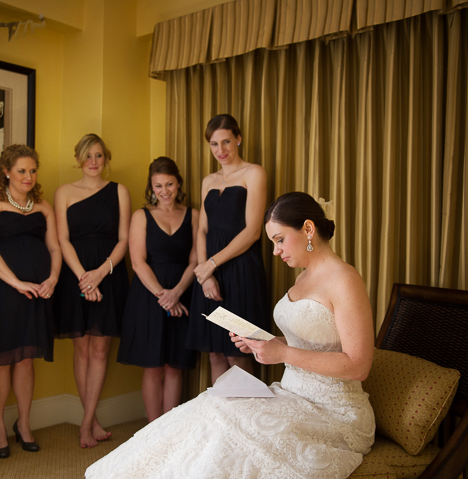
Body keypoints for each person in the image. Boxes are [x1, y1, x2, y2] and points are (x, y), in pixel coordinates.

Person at [85, 192, 376, 479]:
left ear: (308, 229)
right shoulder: (303, 276)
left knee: (230, 427)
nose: (276, 251)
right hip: (292, 394)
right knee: (211, 405)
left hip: (333, 414)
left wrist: (284, 354)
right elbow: (315, 343)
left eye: (279, 240)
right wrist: (268, 343)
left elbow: (358, 365)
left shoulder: (345, 280)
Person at [0, 144, 62, 458]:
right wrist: (16, 282)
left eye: (32, 170)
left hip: (39, 289)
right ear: (7, 171)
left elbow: (54, 247)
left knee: (26, 358)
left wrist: (52, 278)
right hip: (1, 289)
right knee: (1, 359)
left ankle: (23, 424)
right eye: (21, 170)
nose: (28, 176)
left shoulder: (43, 205)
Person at [53, 133, 130, 448]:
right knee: (82, 349)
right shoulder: (64, 192)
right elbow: (63, 239)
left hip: (108, 273)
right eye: (88, 156)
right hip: (76, 273)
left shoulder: (119, 191)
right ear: (78, 159)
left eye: (99, 155)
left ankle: (86, 424)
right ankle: (91, 419)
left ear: (106, 158)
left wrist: (100, 273)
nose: (94, 162)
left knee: (100, 350)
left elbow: (124, 239)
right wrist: (84, 277)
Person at [186, 113, 270, 382]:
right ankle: (223, 421)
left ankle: (246, 421)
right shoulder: (208, 181)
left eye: (226, 142)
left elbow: (253, 231)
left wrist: (211, 264)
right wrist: (206, 274)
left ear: (239, 139)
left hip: (242, 270)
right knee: (215, 353)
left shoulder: (254, 173)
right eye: (213, 144)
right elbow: (202, 230)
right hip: (210, 273)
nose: (220, 150)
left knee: (239, 351)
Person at [117, 157, 199, 422]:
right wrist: (164, 296)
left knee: (175, 365)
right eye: (158, 186)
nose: (164, 191)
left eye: (169, 184)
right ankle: (152, 430)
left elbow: (195, 260)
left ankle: (169, 428)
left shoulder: (193, 215)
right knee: (153, 367)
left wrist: (176, 293)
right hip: (149, 294)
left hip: (183, 291)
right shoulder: (141, 216)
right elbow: (138, 262)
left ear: (178, 183)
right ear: (151, 187)